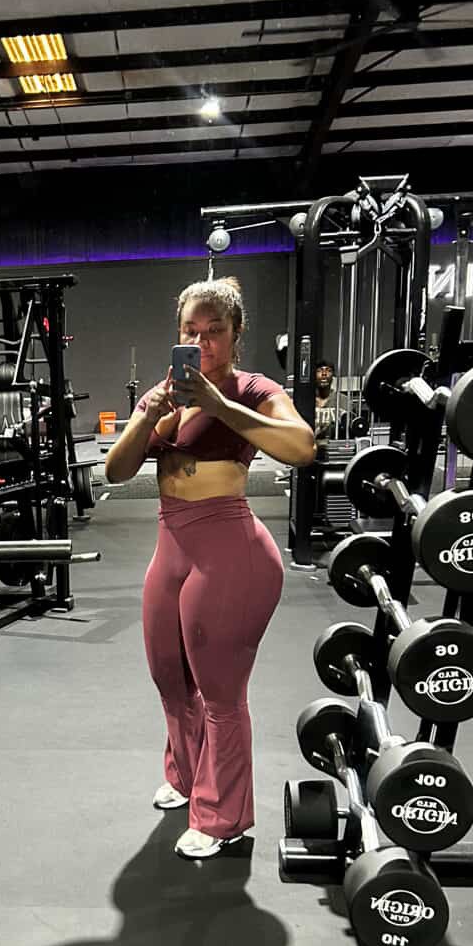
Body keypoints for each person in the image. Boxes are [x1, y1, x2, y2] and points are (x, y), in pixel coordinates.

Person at [105, 277, 316, 860]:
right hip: (171, 542)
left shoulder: (253, 388)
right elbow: (115, 472)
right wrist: (148, 416)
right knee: (169, 677)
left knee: (220, 692)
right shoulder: (165, 393)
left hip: (230, 549)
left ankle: (226, 817)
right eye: (191, 332)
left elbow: (301, 448)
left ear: (235, 334)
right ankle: (185, 776)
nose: (203, 342)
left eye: (214, 331)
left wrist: (218, 404)